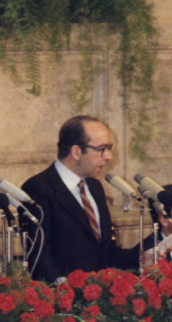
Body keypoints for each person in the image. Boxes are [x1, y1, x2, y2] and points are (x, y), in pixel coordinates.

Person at [21, 115, 130, 283]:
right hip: (64, 302)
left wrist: (142, 255)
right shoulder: (39, 189)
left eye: (109, 148)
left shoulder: (94, 188)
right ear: (77, 152)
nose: (108, 156)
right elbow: (41, 260)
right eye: (102, 148)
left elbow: (105, 253)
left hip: (99, 298)